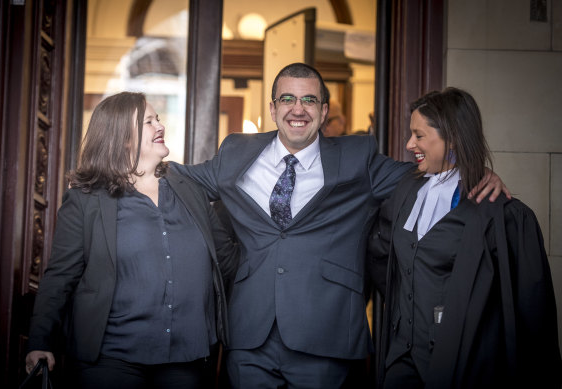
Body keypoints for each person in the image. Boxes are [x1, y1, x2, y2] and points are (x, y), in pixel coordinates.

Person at [171, 63, 508, 388]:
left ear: (324, 110)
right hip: (249, 335)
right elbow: (180, 179)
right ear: (273, 109)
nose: (298, 109)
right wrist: (135, 159)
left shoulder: (357, 157)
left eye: (309, 100)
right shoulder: (235, 151)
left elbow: (424, 176)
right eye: (287, 99)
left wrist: (472, 170)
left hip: (326, 334)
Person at [25, 92, 238, 389]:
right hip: (111, 359)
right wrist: (39, 341)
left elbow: (226, 260)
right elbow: (60, 277)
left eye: (158, 119)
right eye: (148, 121)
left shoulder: (189, 189)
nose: (159, 126)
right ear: (122, 137)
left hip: (188, 357)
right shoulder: (86, 200)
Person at [369, 87, 561, 388]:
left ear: (453, 137)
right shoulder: (405, 189)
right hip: (401, 358)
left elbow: (530, 312)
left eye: (419, 135)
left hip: (465, 365)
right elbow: (384, 258)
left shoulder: (501, 215)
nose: (409, 144)